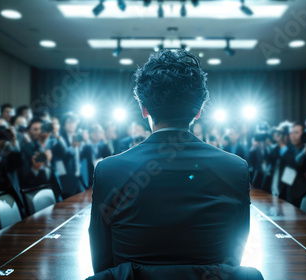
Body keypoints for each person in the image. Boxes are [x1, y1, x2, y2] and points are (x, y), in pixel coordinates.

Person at [89, 50, 250, 273]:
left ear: (144, 109)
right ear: (198, 111)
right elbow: (233, 261)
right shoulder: (235, 168)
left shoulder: (108, 170)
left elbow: (103, 268)